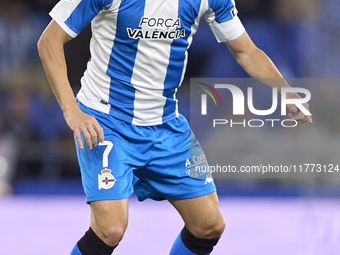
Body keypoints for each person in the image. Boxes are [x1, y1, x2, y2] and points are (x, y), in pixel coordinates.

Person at [37, 0, 312, 254]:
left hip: (166, 125)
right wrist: (71, 110)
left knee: (209, 224)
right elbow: (49, 41)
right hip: (107, 121)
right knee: (110, 229)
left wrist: (286, 92)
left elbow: (246, 50)